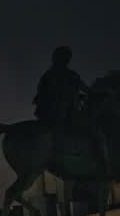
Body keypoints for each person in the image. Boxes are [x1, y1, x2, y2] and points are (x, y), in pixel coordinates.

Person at [34, 46, 109, 177]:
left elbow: (39, 97)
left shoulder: (46, 76)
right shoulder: (71, 75)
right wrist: (104, 93)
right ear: (66, 59)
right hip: (68, 116)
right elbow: (88, 91)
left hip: (47, 117)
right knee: (98, 134)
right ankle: (104, 164)